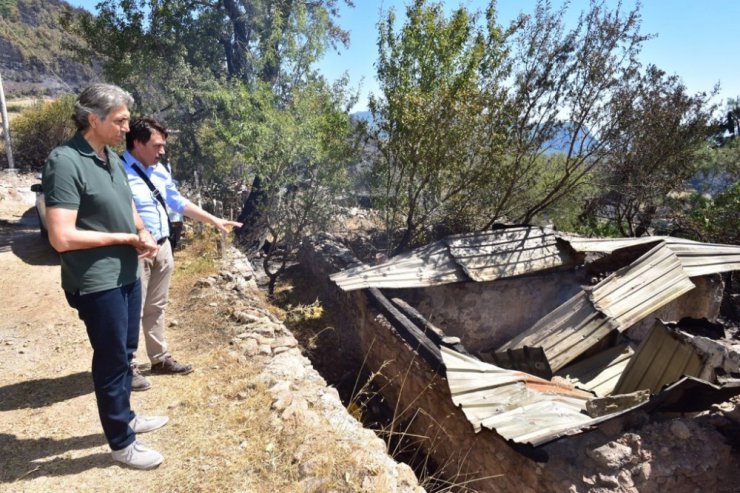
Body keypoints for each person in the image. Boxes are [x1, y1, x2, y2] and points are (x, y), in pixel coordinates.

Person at [42, 84, 167, 469]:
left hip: (126, 274)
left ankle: (126, 416)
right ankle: (121, 442)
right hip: (98, 282)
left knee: (125, 354)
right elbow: (61, 236)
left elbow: (125, 202)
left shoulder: (108, 156)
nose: (127, 129)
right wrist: (124, 237)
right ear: (93, 119)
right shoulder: (65, 161)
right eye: (120, 121)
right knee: (112, 360)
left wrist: (142, 230)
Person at [122, 117, 242, 391]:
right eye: (157, 145)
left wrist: (214, 220)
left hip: (163, 245)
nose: (162, 151)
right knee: (130, 310)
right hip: (134, 251)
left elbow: (178, 202)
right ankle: (126, 366)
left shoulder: (160, 170)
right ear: (138, 143)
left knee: (156, 305)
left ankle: (159, 358)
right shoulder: (117, 171)